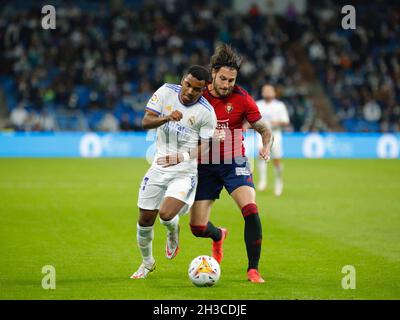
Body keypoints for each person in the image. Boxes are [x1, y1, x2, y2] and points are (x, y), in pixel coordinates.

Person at [164, 44, 273, 283]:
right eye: (222, 78)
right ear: (213, 73)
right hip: (204, 165)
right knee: (197, 228)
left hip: (235, 162)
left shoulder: (243, 98)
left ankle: (253, 269)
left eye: (231, 80)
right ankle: (218, 235)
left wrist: (266, 145)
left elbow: (264, 129)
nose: (226, 84)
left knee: (250, 209)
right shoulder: (197, 96)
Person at [130, 65, 217, 279]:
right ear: (182, 80)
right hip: (159, 166)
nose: (189, 92)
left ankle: (172, 231)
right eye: (187, 85)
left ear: (203, 89)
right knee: (145, 219)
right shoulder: (165, 92)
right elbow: (145, 121)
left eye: (196, 89)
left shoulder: (207, 113)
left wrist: (182, 157)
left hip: (184, 171)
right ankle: (147, 262)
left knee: (166, 214)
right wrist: (167, 117)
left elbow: (205, 146)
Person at [255, 85, 290, 195]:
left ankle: (279, 181)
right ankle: (263, 180)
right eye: (265, 90)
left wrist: (276, 122)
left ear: (274, 93)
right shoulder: (258, 104)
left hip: (275, 134)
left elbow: (286, 121)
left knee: (276, 160)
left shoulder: (279, 105)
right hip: (261, 134)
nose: (267, 92)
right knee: (261, 155)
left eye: (269, 91)